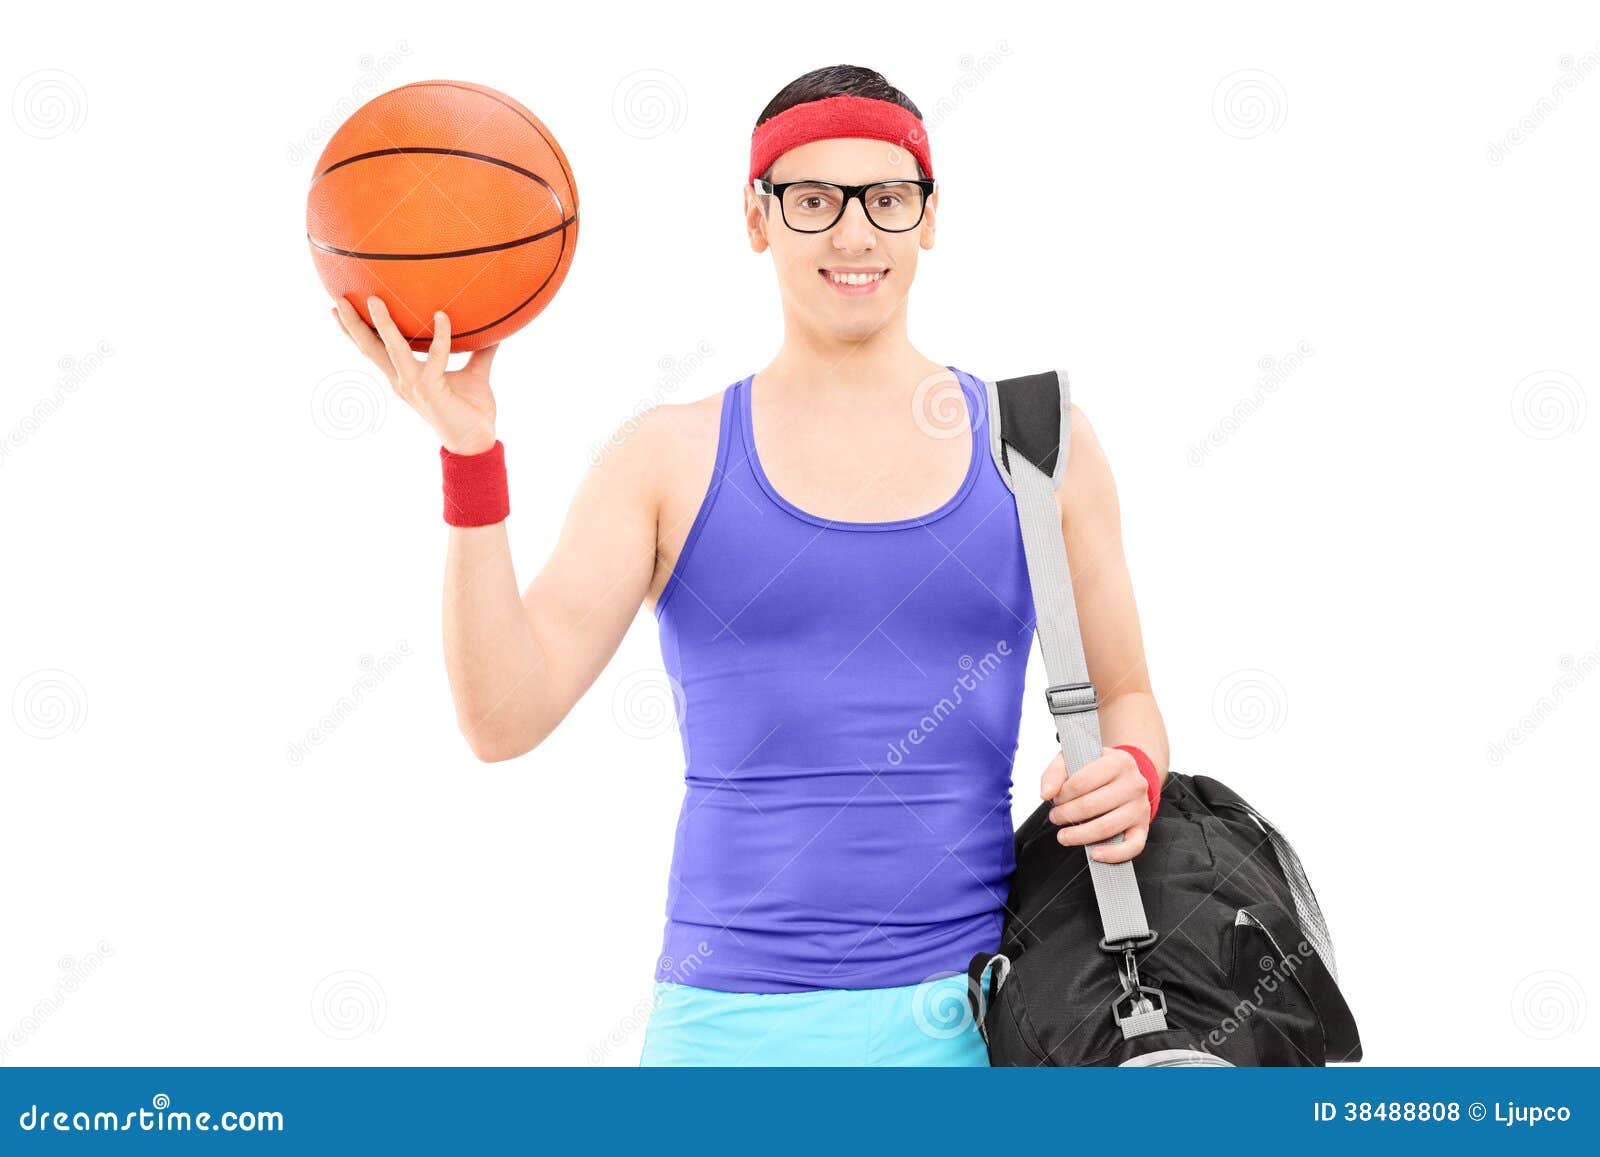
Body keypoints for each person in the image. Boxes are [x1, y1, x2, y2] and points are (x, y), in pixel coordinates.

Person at [330, 63, 1170, 1066]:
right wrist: (471, 460)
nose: (853, 235)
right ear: (756, 217)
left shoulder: (1036, 446)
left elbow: (1125, 692)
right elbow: (502, 718)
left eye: (886, 199)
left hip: (971, 1024)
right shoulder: (666, 457)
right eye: (813, 201)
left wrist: (1135, 770)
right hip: (722, 1034)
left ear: (928, 218)